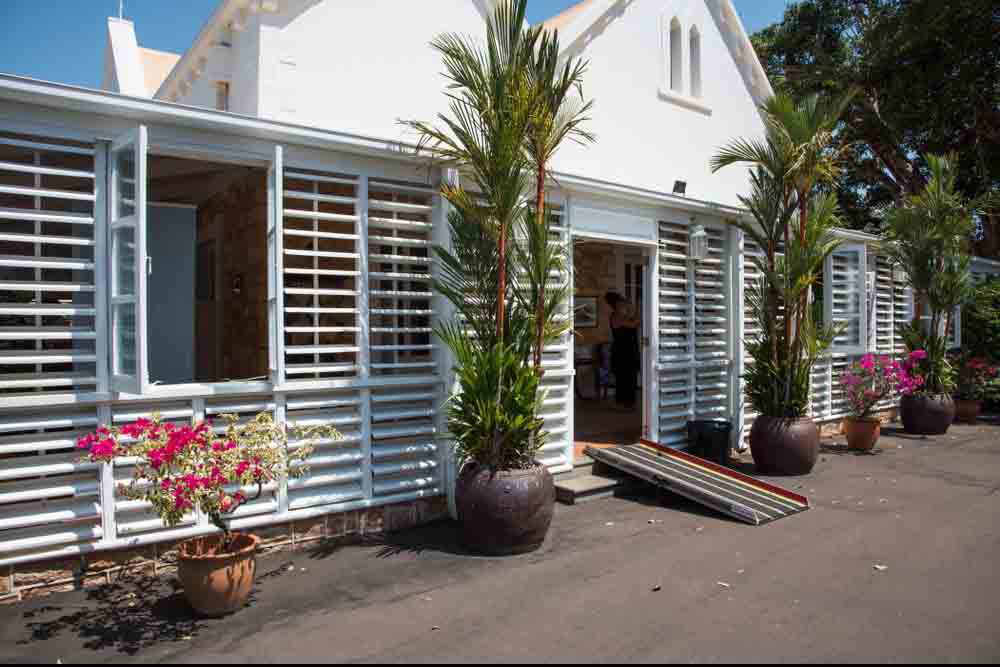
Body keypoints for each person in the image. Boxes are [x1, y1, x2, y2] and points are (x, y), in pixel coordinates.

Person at [605, 291, 640, 411]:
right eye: (621, 302)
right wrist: (636, 308)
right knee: (623, 378)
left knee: (631, 377)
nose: (623, 303)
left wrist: (632, 309)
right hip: (621, 352)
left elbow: (633, 321)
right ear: (615, 304)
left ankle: (629, 404)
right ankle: (622, 404)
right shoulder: (615, 317)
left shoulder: (624, 316)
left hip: (630, 351)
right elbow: (634, 323)